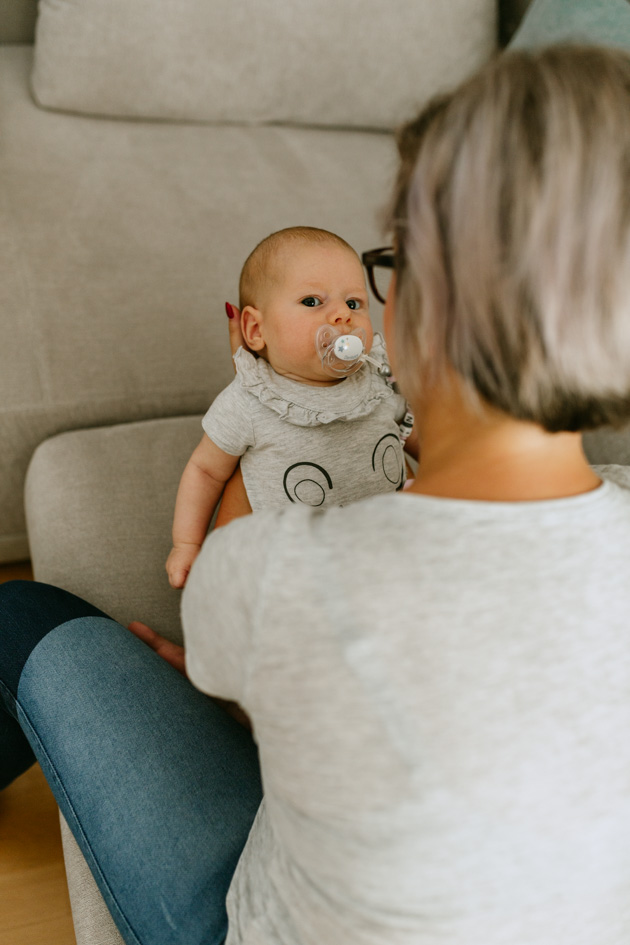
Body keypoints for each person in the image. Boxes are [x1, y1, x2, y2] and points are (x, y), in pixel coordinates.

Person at [2, 44, 630, 945]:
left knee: (22, 617)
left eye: (388, 265)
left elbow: (233, 654)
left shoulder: (280, 566)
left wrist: (245, 649)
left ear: (433, 297)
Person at [166, 225, 416, 589]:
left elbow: (420, 439)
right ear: (254, 329)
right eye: (313, 302)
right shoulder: (249, 400)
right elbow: (205, 471)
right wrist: (187, 543)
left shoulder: (376, 381)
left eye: (354, 303)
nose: (342, 317)